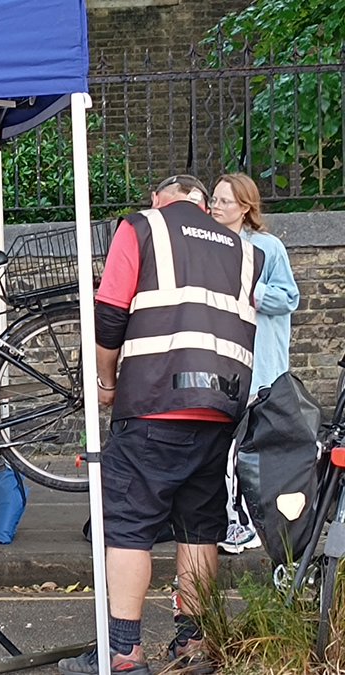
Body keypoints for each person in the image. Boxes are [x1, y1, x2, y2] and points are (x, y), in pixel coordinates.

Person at [58, 175, 263, 674]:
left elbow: (108, 314)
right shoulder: (243, 249)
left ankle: (123, 651)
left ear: (158, 199)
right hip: (220, 409)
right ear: (200, 201)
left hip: (154, 402)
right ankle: (193, 644)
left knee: (129, 527)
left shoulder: (143, 226)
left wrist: (106, 381)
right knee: (199, 529)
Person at [209, 174, 300, 555]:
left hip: (259, 364)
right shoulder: (207, 245)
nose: (215, 207)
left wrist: (249, 287)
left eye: (224, 201)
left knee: (245, 449)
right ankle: (236, 520)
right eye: (213, 199)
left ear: (245, 207)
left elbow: (288, 297)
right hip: (221, 361)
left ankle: (242, 524)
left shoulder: (267, 247)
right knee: (227, 447)